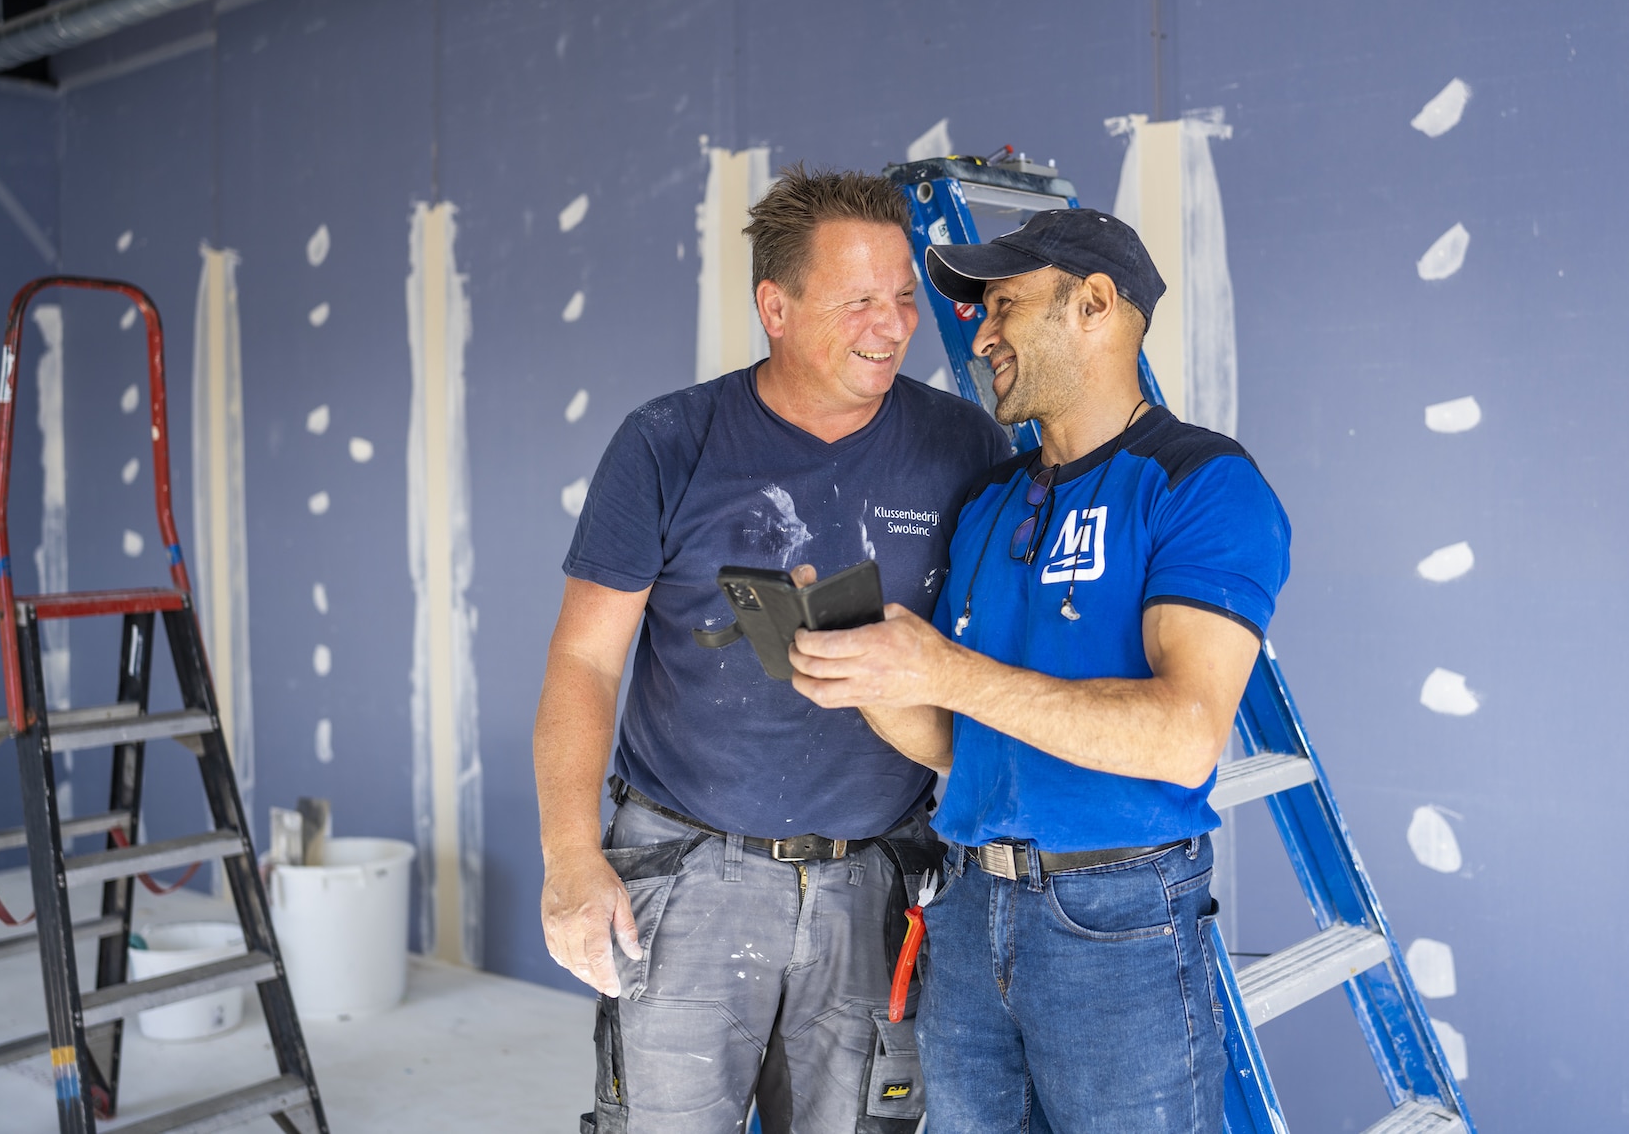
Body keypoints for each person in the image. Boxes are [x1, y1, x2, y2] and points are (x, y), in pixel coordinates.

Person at [788, 206, 1291, 1134]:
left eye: (1003, 305)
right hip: (969, 903)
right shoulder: (988, 501)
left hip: (1115, 921)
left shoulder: (1197, 483)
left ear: (1094, 304)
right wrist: (864, 677)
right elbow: (957, 739)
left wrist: (944, 666)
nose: (980, 334)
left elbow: (1185, 737)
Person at [533, 165, 1008, 1134]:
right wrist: (570, 858)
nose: (891, 325)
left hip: (874, 881)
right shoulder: (668, 443)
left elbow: (992, 660)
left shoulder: (963, 449)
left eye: (904, 298)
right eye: (858, 300)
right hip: (687, 873)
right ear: (775, 306)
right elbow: (585, 661)